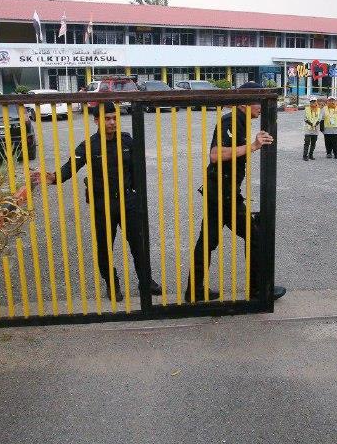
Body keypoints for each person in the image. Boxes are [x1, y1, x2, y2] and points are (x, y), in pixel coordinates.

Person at [30, 102, 162, 302]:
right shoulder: (89, 145)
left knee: (139, 245)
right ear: (97, 121)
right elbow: (71, 165)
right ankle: (112, 284)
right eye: (107, 119)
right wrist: (55, 178)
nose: (111, 122)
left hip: (127, 202)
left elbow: (136, 170)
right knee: (104, 249)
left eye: (114, 118)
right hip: (103, 206)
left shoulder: (127, 141)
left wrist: (136, 195)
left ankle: (146, 281)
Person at [187, 82, 287, 303]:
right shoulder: (230, 121)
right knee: (256, 236)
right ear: (243, 102)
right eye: (256, 102)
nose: (260, 106)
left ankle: (194, 290)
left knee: (207, 242)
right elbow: (215, 154)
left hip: (222, 192)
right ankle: (258, 291)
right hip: (223, 194)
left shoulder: (240, 122)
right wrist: (252, 146)